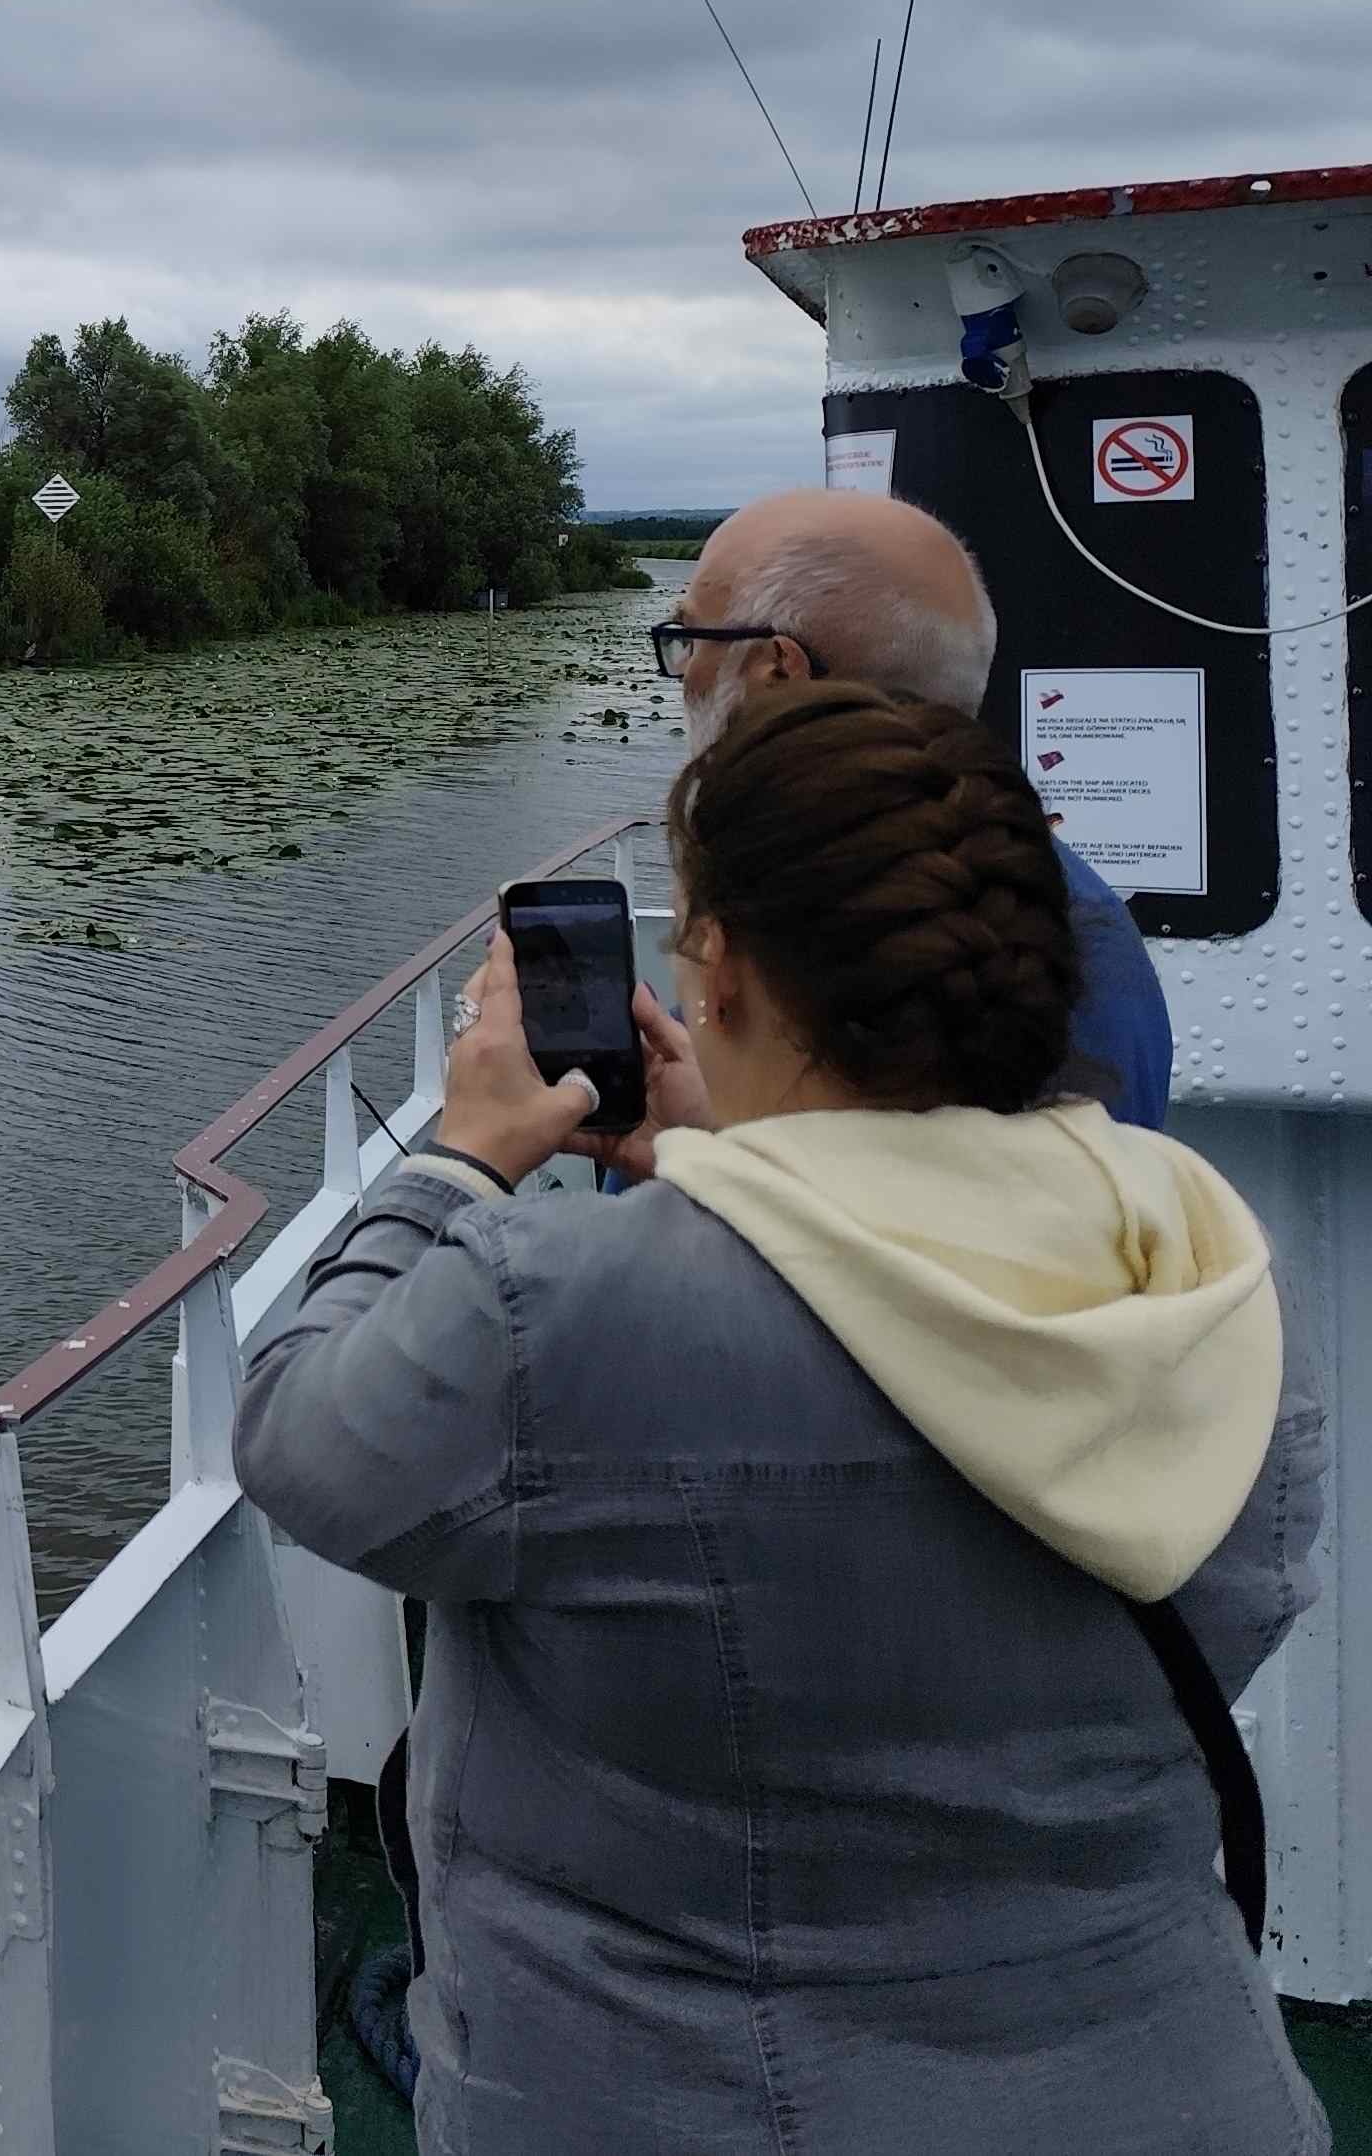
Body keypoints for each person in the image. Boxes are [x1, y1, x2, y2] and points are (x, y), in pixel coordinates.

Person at [236, 682, 1323, 2155]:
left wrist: (463, 1161)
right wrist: (732, 1155)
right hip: (1176, 2096)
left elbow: (303, 1438)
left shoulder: (559, 1308)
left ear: (725, 971)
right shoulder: (1215, 1286)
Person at [655, 485, 1171, 1124]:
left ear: (778, 672)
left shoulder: (817, 907)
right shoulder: (1043, 906)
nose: (682, 672)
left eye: (691, 636)